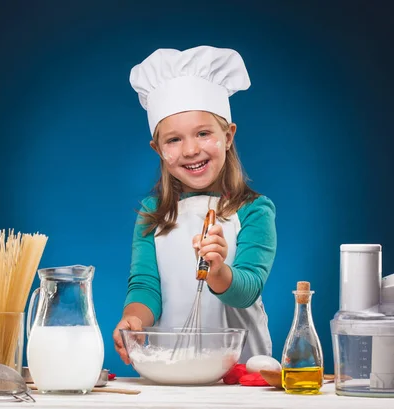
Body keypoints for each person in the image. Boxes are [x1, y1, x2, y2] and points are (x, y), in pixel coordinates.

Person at [113, 45, 277, 364]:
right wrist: (133, 319)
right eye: (173, 139)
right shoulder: (152, 213)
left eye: (203, 133)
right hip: (171, 367)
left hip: (240, 375)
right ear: (157, 149)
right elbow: (146, 286)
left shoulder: (254, 210)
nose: (190, 150)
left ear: (228, 136)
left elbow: (247, 290)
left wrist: (217, 271)